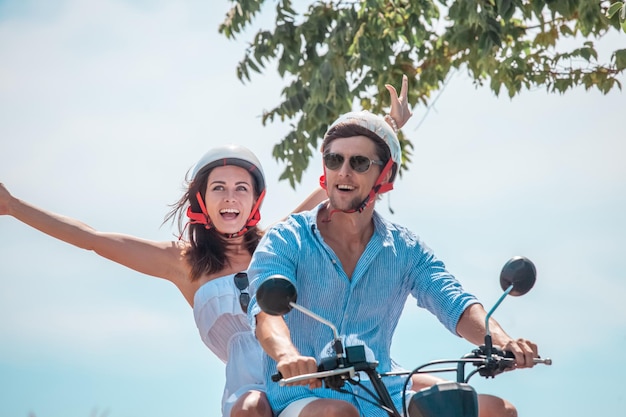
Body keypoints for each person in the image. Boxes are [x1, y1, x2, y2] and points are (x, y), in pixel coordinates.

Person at [0, 78, 414, 417]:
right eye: (219, 189)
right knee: (253, 407)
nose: (230, 198)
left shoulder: (280, 243)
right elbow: (89, 238)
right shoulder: (182, 263)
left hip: (309, 376)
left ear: (255, 201)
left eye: (240, 189)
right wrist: (14, 206)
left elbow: (344, 187)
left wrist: (386, 130)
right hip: (252, 388)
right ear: (202, 201)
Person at [247, 111, 539, 417]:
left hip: (383, 395)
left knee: (497, 410)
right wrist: (287, 355)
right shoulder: (287, 238)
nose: (343, 172)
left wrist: (502, 341)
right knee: (338, 413)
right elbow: (266, 314)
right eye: (334, 161)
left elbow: (455, 301)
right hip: (303, 396)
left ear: (385, 175)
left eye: (359, 163)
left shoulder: (404, 249)